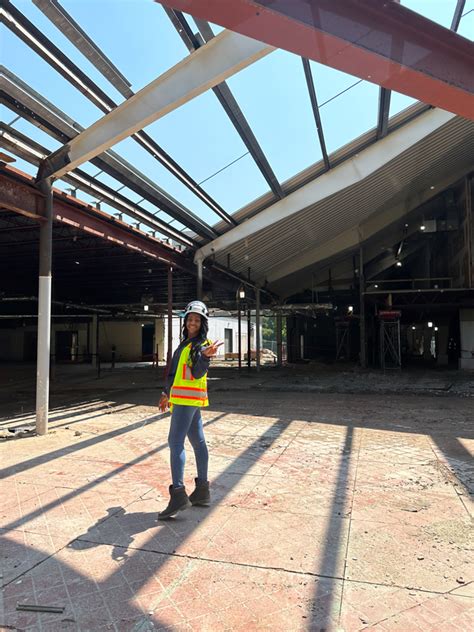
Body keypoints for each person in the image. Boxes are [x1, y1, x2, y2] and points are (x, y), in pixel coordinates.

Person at [158, 300, 222, 519]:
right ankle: (202, 491)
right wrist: (166, 393)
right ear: (185, 321)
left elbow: (196, 373)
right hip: (187, 400)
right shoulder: (185, 343)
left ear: (202, 323)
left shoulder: (203, 344)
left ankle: (178, 494)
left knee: (175, 443)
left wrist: (205, 356)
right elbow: (174, 372)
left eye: (197, 320)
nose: (193, 322)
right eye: (190, 319)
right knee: (197, 441)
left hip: (187, 400)